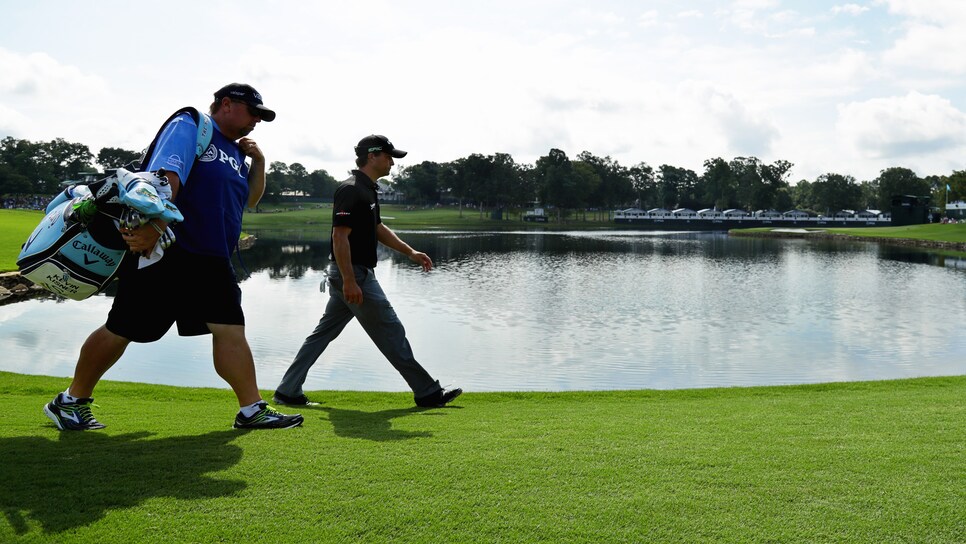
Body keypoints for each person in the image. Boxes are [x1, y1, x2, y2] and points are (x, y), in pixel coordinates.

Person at [43, 83, 303, 430]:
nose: (257, 120)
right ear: (226, 104)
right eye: (253, 112)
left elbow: (251, 200)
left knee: (229, 326)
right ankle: (70, 401)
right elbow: (166, 176)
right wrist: (158, 222)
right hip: (167, 250)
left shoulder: (236, 152)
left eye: (261, 116)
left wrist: (259, 160)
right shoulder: (191, 125)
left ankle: (251, 409)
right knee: (122, 327)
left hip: (210, 257)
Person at [273, 135, 461, 408]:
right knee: (390, 329)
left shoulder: (368, 189)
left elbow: (377, 228)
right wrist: (350, 280)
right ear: (372, 156)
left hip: (351, 275)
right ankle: (428, 393)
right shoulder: (351, 189)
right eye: (388, 156)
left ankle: (287, 390)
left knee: (323, 334)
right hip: (354, 275)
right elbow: (340, 237)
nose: (392, 162)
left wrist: (410, 252)